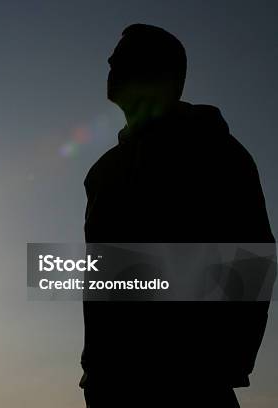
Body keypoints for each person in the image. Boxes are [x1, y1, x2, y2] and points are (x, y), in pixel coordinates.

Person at [80, 24, 275, 407]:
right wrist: (97, 369)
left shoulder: (213, 150)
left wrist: (216, 366)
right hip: (110, 380)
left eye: (125, 56)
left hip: (189, 381)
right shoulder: (104, 170)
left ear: (165, 72)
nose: (110, 62)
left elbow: (252, 262)